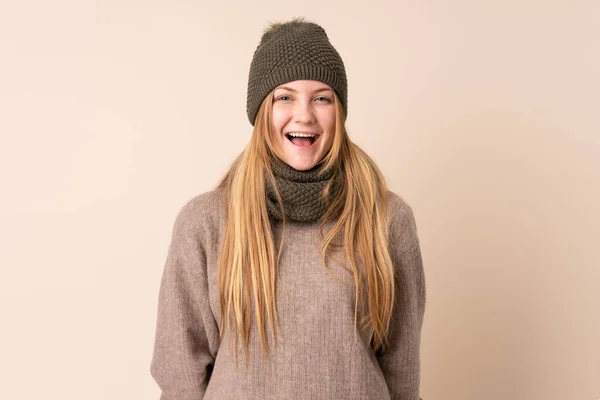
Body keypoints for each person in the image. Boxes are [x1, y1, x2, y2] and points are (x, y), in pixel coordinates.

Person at [150, 17, 426, 400]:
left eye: (322, 97)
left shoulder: (387, 220)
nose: (305, 115)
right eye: (285, 97)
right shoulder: (205, 223)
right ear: (262, 110)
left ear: (339, 112)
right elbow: (180, 373)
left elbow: (402, 372)